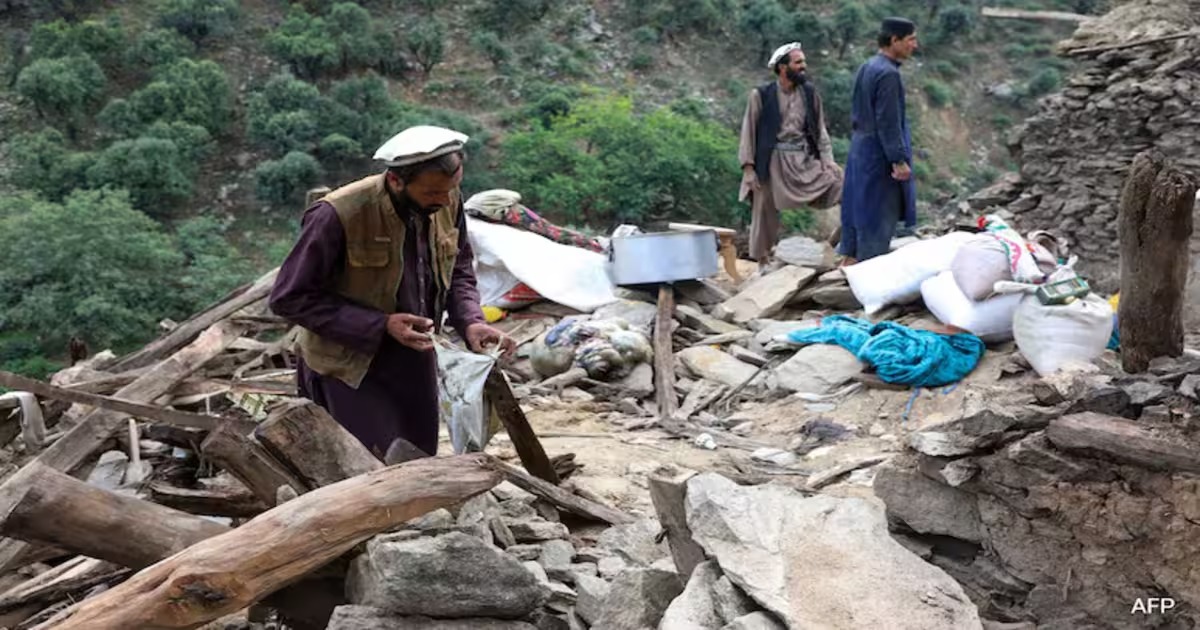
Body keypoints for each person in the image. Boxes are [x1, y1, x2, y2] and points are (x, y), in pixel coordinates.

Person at [269, 125, 514, 459]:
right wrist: (380, 325)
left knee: (417, 463)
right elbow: (289, 297)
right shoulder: (338, 214)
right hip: (349, 370)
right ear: (396, 181)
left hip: (416, 363)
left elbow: (458, 268)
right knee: (367, 469)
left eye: (451, 190)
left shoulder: (445, 198)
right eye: (432, 193)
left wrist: (471, 320)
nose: (444, 201)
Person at [738, 42, 844, 267]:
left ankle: (838, 245)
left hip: (803, 160)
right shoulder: (761, 95)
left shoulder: (810, 93)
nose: (804, 66)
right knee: (763, 208)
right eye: (798, 62)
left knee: (844, 186)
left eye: (803, 62)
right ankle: (762, 262)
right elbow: (749, 132)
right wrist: (748, 168)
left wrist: (828, 160)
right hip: (771, 162)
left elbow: (820, 130)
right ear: (782, 67)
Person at [838, 17, 920, 265]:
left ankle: (850, 265)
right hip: (879, 156)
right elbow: (888, 121)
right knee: (877, 215)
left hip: (860, 150)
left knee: (858, 210)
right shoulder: (888, 75)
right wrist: (898, 159)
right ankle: (867, 271)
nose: (914, 45)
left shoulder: (868, 66)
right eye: (910, 39)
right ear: (894, 40)